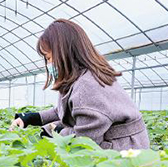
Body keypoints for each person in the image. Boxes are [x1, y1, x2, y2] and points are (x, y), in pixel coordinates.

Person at [9, 19, 150, 150]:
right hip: (123, 145)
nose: (49, 63)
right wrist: (30, 118)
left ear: (64, 53)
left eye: (49, 57)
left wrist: (55, 130)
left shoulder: (87, 86)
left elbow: (84, 140)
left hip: (124, 153)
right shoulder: (81, 77)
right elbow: (62, 111)